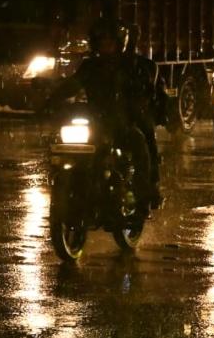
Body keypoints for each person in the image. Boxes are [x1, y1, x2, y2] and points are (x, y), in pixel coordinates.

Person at [47, 18, 163, 209]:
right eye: (102, 42)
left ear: (119, 43)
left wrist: (139, 100)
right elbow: (73, 84)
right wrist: (51, 98)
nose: (105, 46)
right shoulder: (90, 66)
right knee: (62, 146)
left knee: (141, 142)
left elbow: (146, 89)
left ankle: (147, 193)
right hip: (97, 121)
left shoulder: (133, 66)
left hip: (124, 121)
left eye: (110, 42)